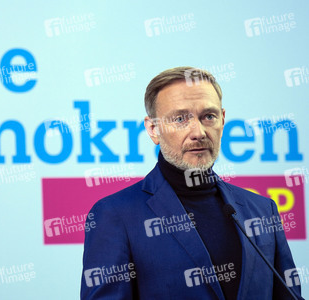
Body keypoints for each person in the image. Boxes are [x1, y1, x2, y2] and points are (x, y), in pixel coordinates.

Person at [80, 67, 303, 299]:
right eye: (180, 119)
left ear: (223, 120)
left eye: (209, 116)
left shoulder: (262, 209)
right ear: (153, 129)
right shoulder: (115, 215)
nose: (198, 132)